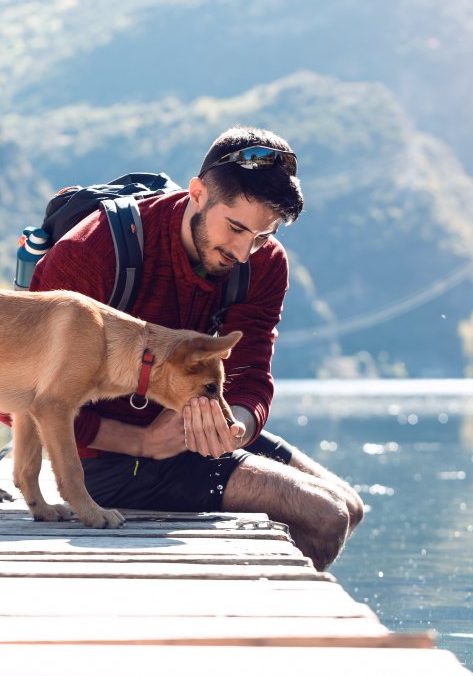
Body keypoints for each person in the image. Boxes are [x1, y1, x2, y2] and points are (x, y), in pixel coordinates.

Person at [28, 126, 363, 571]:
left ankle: (253, 617)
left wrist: (236, 428)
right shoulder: (94, 252)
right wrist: (143, 441)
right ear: (199, 192)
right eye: (237, 228)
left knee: (350, 508)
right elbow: (18, 399)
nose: (245, 253)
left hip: (193, 439)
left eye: (262, 236)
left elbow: (252, 375)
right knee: (324, 515)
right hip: (105, 460)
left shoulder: (264, 263)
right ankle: (256, 627)